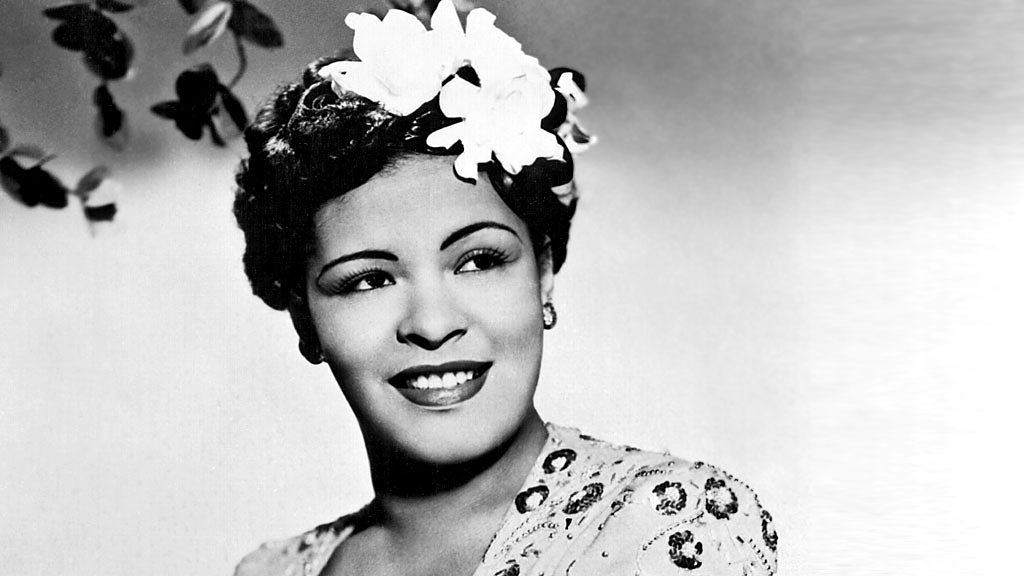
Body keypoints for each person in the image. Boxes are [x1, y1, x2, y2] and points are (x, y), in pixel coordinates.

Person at [231, 2, 778, 575]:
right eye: (369, 280)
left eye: (477, 261)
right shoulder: (269, 571)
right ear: (304, 317)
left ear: (542, 273)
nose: (433, 324)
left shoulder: (666, 525)